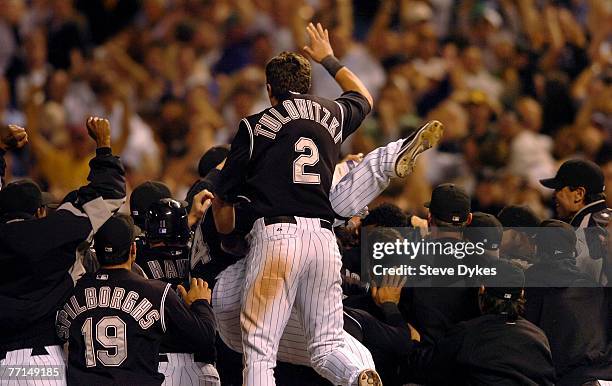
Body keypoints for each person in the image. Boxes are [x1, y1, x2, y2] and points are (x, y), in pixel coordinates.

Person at [211, 22, 381, 386]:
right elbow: (364, 97)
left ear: (270, 91)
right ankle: (358, 375)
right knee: (328, 345)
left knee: (258, 351)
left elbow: (222, 199)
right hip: (323, 241)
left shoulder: (255, 126)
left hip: (278, 238)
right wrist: (329, 58)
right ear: (307, 87)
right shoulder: (331, 114)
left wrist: (228, 232)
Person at [0, 117, 125, 385]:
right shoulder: (55, 231)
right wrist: (103, 145)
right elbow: (111, 193)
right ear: (40, 211)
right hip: (46, 361)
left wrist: (0, 148)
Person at [56, 214, 216, 385]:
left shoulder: (73, 291)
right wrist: (200, 303)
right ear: (133, 249)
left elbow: (61, 334)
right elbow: (205, 337)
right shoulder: (156, 292)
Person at [402, 261, 556, 385]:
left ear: (482, 291)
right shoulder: (539, 335)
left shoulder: (468, 333)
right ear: (521, 294)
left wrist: (412, 338)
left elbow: (423, 368)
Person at [525, 219, 612, 386]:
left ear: (537, 249)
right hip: (604, 375)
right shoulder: (593, 285)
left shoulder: (529, 286)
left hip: (566, 378)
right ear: (573, 252)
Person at [539, 159, 611, 284]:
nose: (554, 195)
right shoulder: (608, 216)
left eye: (558, 189)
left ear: (579, 194)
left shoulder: (583, 228)